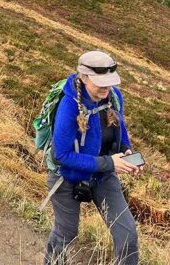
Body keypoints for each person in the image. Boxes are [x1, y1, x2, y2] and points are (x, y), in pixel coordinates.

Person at [44, 50, 141, 265]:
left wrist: (126, 152)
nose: (106, 88)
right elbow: (61, 155)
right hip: (67, 178)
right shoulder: (69, 105)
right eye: (101, 84)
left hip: (103, 175)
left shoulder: (113, 96)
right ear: (84, 78)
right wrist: (109, 163)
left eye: (109, 83)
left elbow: (120, 131)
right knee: (65, 236)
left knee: (127, 238)